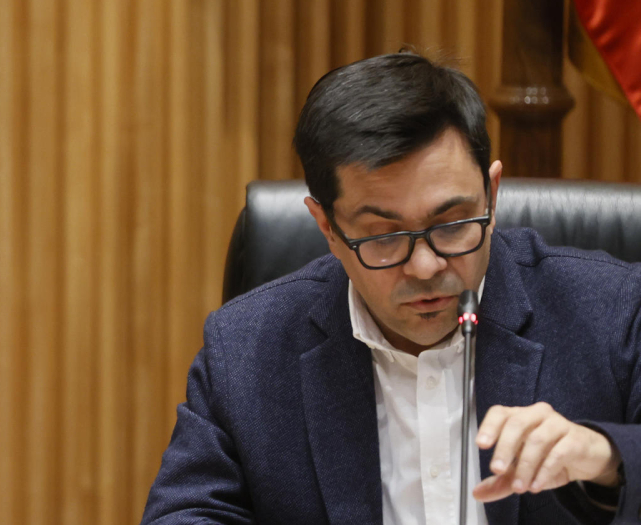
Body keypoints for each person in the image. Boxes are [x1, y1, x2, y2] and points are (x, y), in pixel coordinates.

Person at [141, 52, 640, 524]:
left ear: (492, 193)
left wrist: (608, 458)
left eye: (452, 223)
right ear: (327, 227)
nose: (425, 266)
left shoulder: (611, 311)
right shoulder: (248, 348)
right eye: (384, 236)